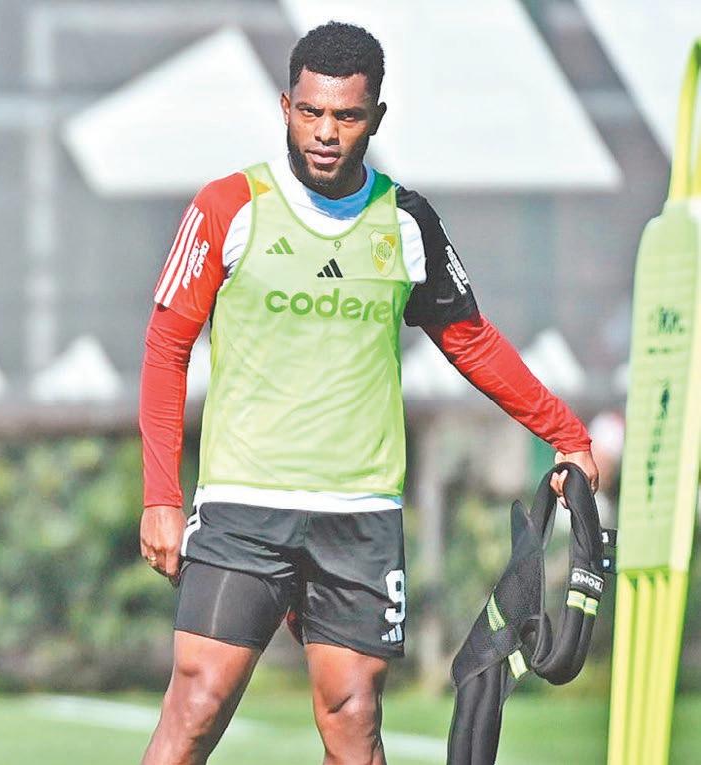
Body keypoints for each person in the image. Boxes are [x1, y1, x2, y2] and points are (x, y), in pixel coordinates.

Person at [137, 23, 599, 765]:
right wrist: (161, 494)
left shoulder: (406, 221)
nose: (326, 132)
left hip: (360, 514)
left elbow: (471, 340)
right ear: (286, 106)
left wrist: (566, 433)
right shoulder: (229, 206)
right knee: (197, 701)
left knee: (352, 721)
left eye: (346, 116)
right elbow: (166, 347)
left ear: (375, 117)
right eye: (311, 112)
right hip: (244, 505)